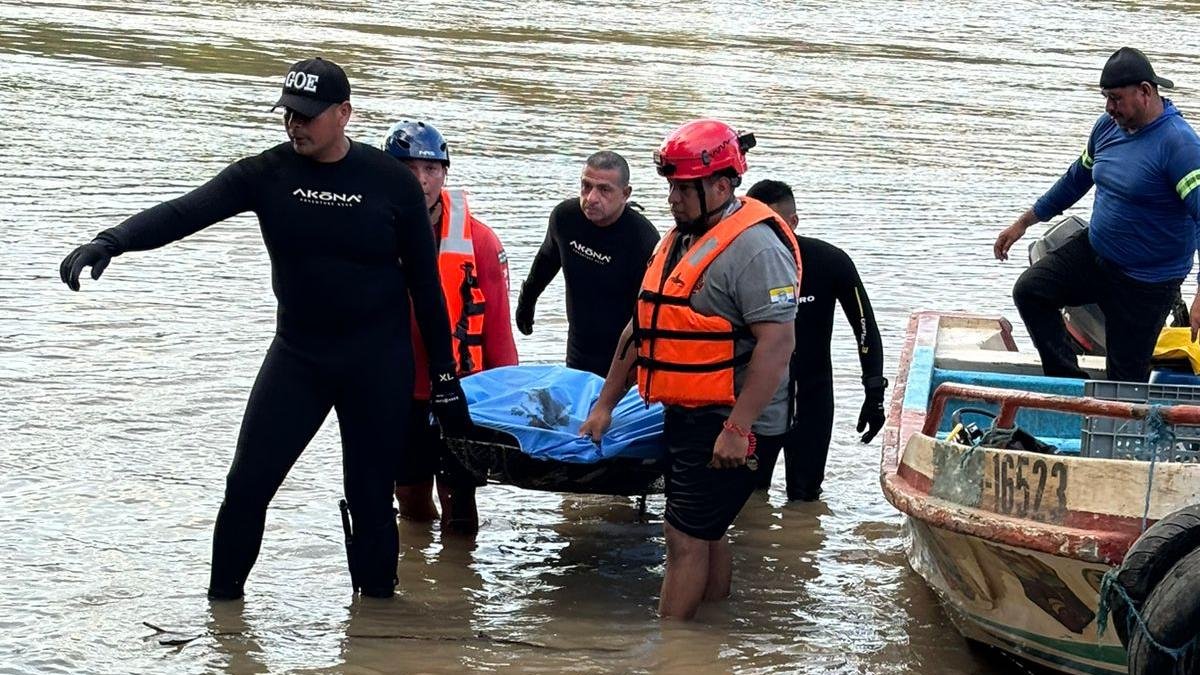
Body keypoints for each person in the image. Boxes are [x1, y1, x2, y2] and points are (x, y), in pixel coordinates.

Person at [58, 57, 472, 600]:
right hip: (300, 358)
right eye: (288, 114)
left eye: (307, 115)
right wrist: (112, 239)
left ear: (344, 114)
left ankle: (375, 628)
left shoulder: (389, 183)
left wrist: (443, 379)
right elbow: (187, 211)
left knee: (371, 496)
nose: (294, 125)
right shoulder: (268, 174)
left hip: (377, 363)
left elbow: (425, 287)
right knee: (247, 486)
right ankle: (223, 620)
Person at [579, 119, 800, 621]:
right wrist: (605, 405)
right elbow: (642, 328)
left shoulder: (757, 250)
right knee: (707, 529)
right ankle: (710, 631)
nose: (673, 198)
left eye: (684, 188)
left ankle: (670, 644)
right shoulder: (678, 240)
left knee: (682, 537)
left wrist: (737, 428)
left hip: (735, 417)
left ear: (722, 185)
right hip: (691, 408)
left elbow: (777, 346)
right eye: (671, 186)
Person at [994, 47, 1200, 382]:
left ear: (1145, 92)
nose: (1109, 107)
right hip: (1096, 256)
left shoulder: (1179, 146)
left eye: (1116, 98)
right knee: (1031, 291)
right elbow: (1075, 179)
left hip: (1146, 284)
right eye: (1106, 97)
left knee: (1125, 380)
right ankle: (1071, 387)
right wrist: (1023, 223)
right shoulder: (1107, 128)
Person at [381, 120, 518, 534]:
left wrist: (507, 398)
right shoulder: (369, 232)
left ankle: (459, 580)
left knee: (460, 501)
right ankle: (422, 573)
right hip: (396, 388)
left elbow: (498, 330)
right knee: (408, 496)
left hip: (460, 390)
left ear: (445, 173)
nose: (420, 181)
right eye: (407, 170)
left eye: (431, 170)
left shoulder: (481, 242)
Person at [744, 179, 886, 502]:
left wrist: (874, 391)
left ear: (793, 222)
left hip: (812, 397)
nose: (763, 236)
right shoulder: (739, 266)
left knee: (805, 499)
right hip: (756, 401)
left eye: (773, 225)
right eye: (754, 225)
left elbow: (864, 326)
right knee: (747, 500)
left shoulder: (829, 262)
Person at [515, 151, 660, 376]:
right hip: (577, 352)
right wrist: (526, 302)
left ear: (625, 194)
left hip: (624, 360)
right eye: (586, 186)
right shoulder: (565, 218)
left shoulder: (643, 239)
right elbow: (545, 261)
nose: (591, 198)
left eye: (604, 190)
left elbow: (650, 315)